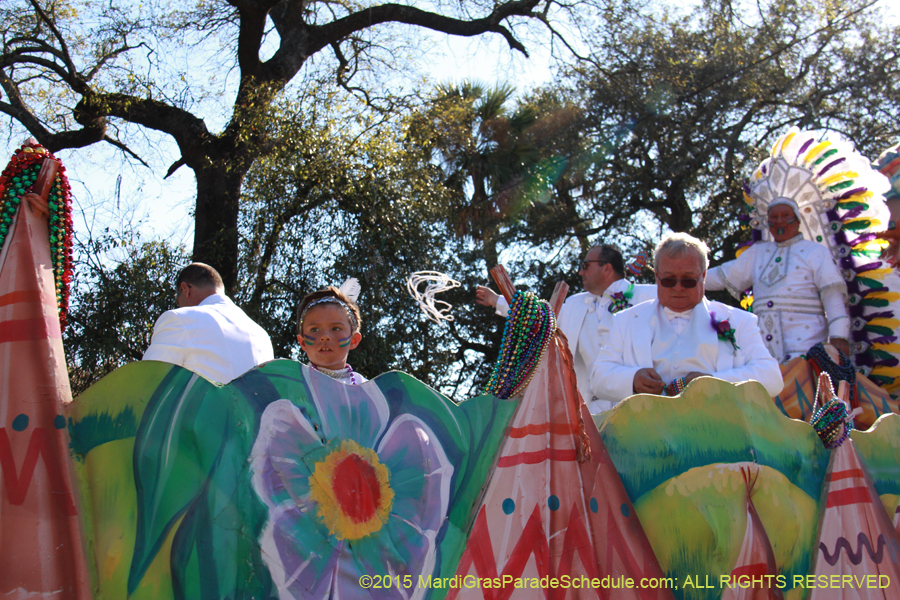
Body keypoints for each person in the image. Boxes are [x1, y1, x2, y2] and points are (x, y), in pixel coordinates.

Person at [589, 233, 783, 406]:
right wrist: (633, 380)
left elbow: (772, 378)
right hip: (645, 436)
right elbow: (598, 377)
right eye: (669, 280)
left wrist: (715, 383)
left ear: (704, 276)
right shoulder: (626, 321)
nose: (678, 288)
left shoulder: (738, 321)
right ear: (656, 276)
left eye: (688, 280)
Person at [476, 245, 656, 412]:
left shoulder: (649, 296)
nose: (580, 272)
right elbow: (539, 319)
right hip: (589, 413)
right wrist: (496, 300)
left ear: (607, 268)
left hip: (640, 410)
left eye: (586, 266)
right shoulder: (574, 304)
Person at [705, 200, 850, 362]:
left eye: (785, 215)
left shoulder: (815, 252)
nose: (779, 221)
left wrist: (839, 336)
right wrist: (687, 277)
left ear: (797, 220)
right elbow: (723, 275)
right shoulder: (758, 252)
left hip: (806, 346)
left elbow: (832, 295)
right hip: (763, 350)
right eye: (774, 217)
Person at [142, 263, 274, 383]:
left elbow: (147, 382)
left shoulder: (180, 319)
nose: (179, 306)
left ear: (185, 289)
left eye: (178, 300)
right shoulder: (262, 336)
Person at [295, 286, 367, 385]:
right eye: (314, 329)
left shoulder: (367, 389)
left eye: (336, 328)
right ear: (302, 342)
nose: (325, 336)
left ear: (354, 340)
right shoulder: (291, 386)